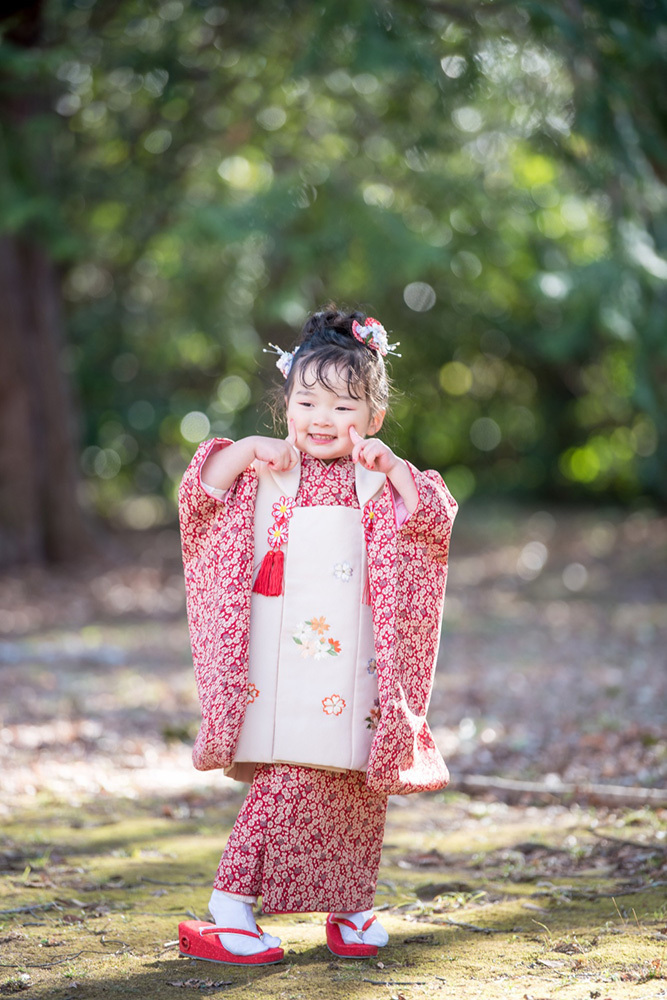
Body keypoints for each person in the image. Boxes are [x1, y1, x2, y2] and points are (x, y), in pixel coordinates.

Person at [177, 305, 458, 966]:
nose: (322, 419)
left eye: (343, 406)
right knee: (287, 779)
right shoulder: (267, 471)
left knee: (357, 777)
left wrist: (393, 471)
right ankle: (229, 907)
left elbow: (432, 524)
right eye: (307, 401)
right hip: (281, 666)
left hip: (356, 663)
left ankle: (349, 906)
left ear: (374, 417)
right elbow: (199, 502)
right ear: (286, 405)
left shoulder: (381, 481)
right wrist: (244, 451)